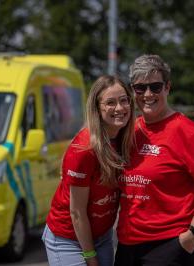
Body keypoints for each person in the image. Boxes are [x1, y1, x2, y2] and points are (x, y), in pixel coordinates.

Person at [115, 54, 194, 266]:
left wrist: (193, 234)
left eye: (155, 87)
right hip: (128, 244)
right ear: (132, 91)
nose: (148, 94)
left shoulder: (187, 131)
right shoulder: (131, 130)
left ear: (167, 88)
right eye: (140, 88)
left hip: (170, 245)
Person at [42, 75, 135, 266]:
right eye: (110, 103)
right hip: (68, 238)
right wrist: (90, 256)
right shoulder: (84, 149)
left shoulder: (126, 137)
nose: (119, 108)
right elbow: (76, 212)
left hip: (102, 235)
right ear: (97, 109)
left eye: (124, 100)